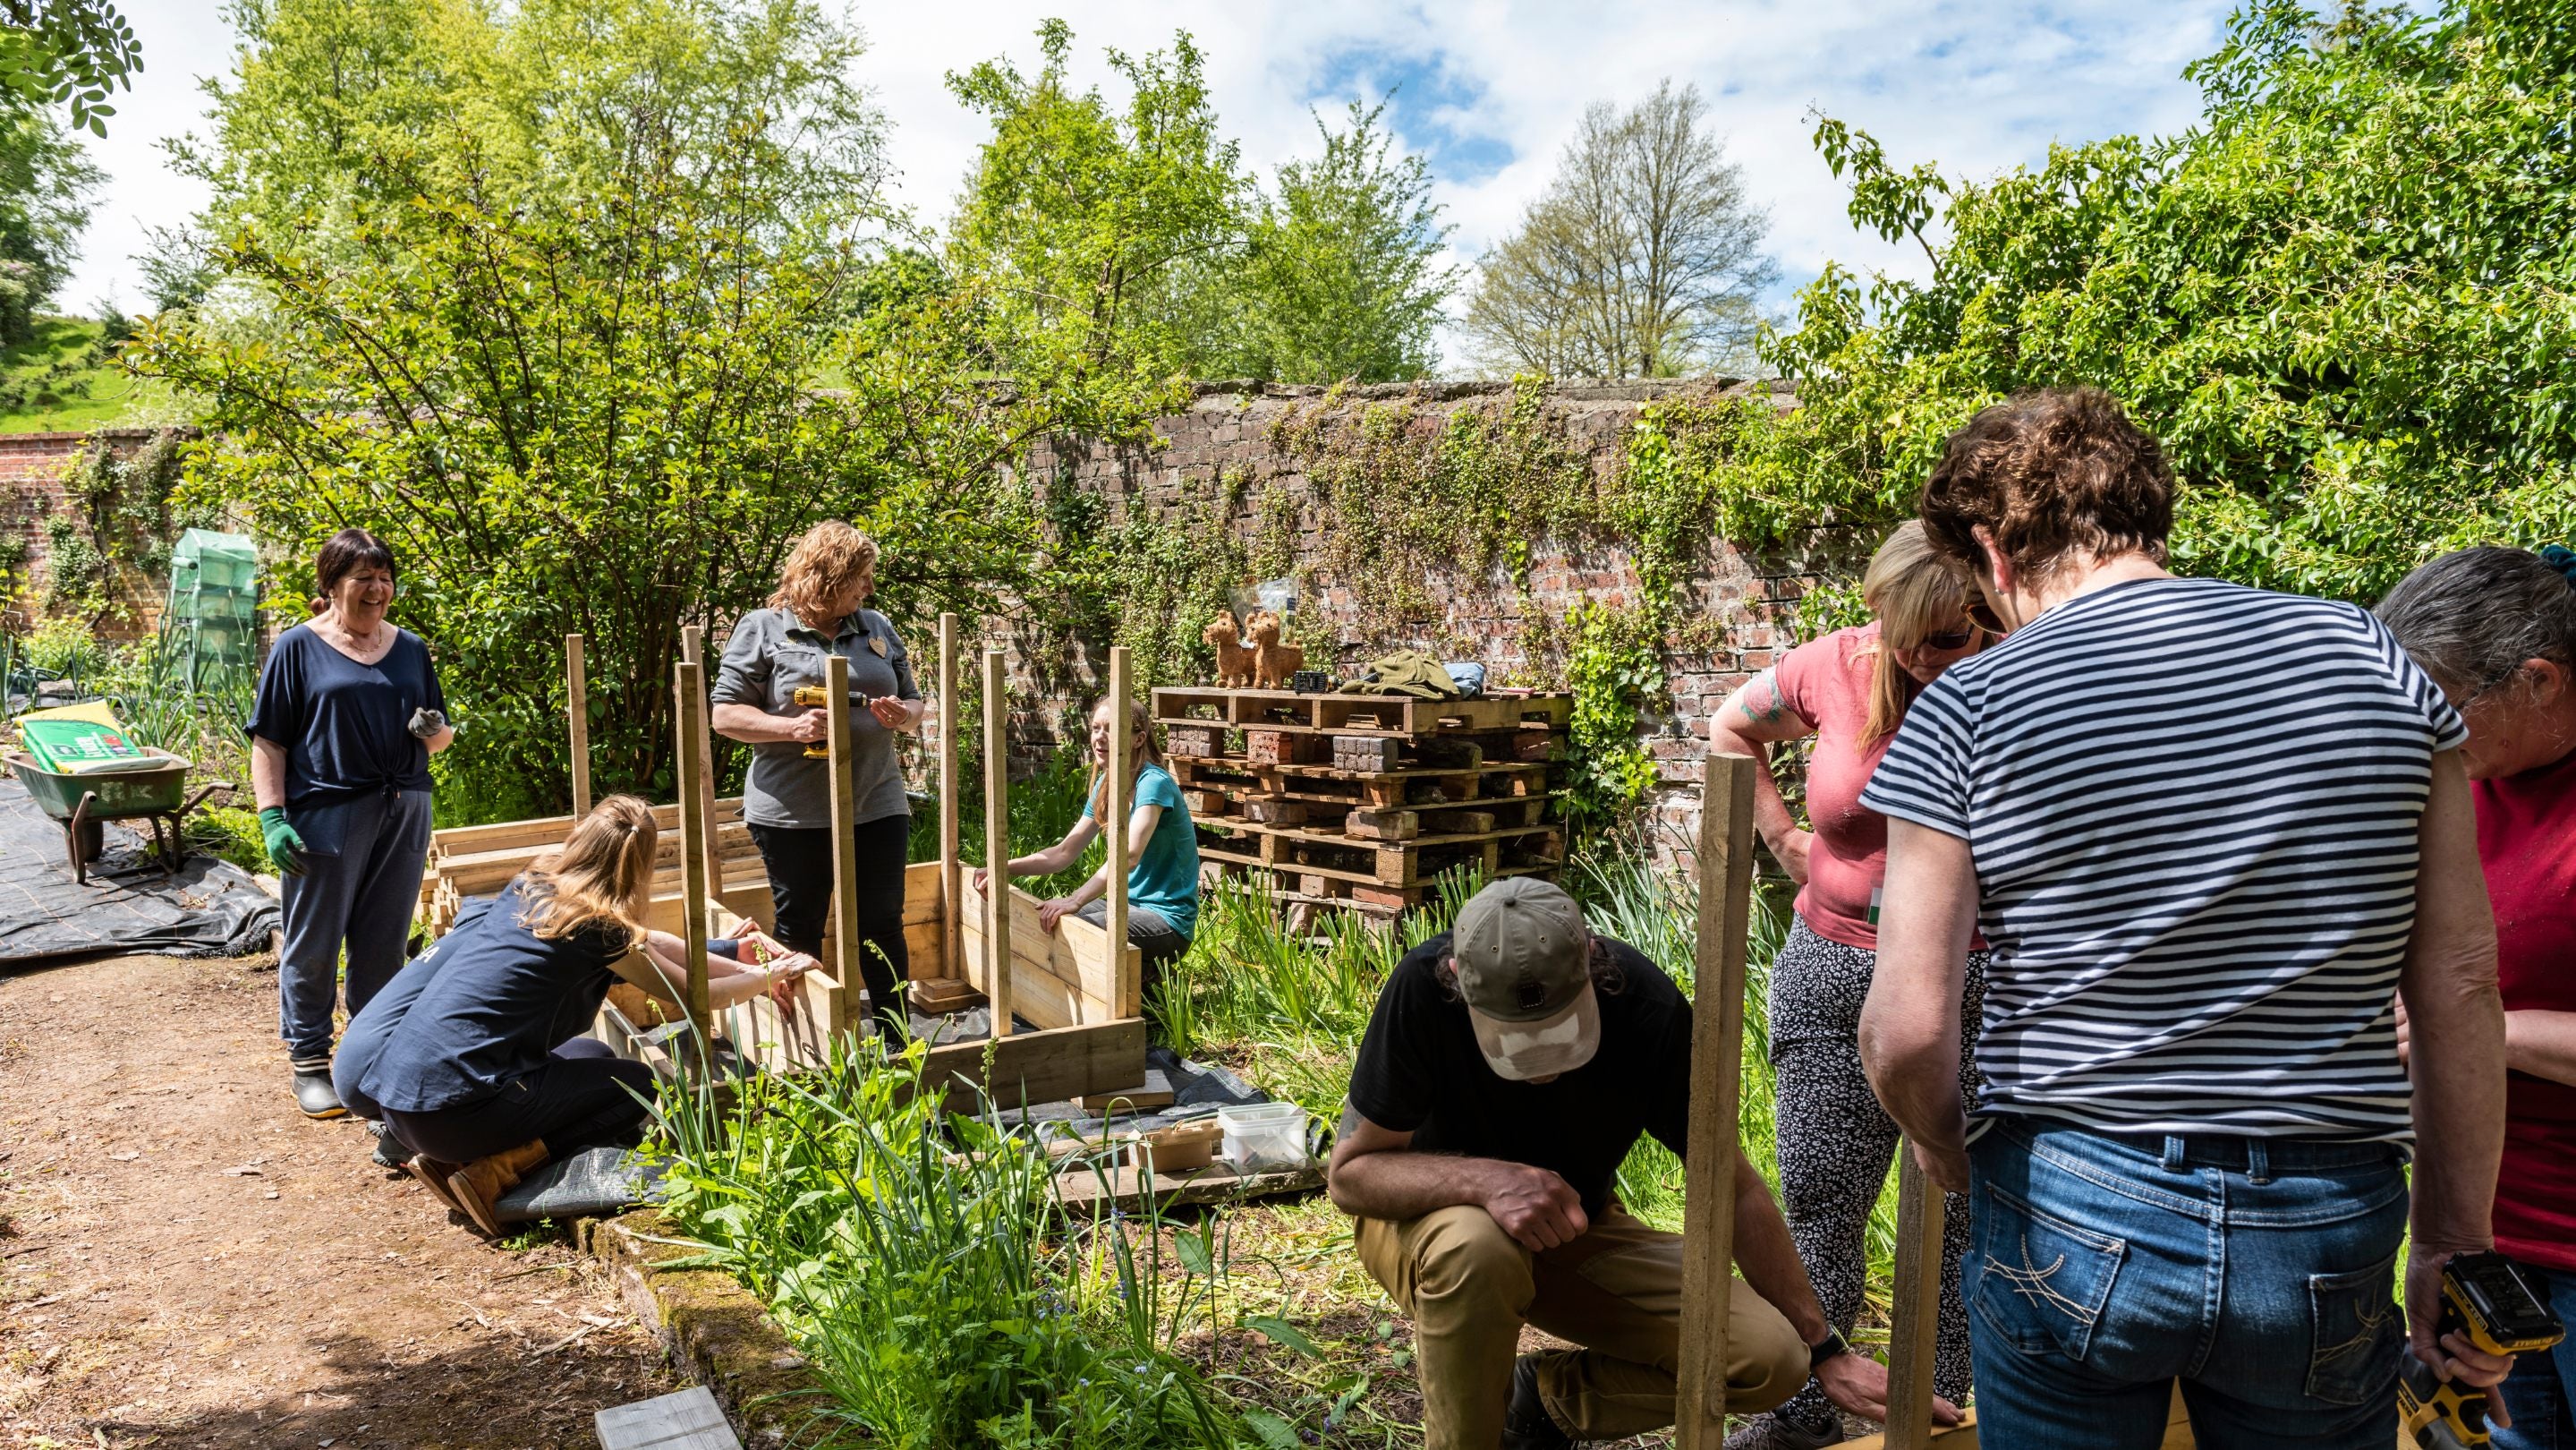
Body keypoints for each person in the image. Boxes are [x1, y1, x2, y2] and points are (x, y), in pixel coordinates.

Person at [1855, 388, 2516, 1448]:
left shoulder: (1970, 706)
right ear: (2147, 511)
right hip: (2323, 1220)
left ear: (1994, 548)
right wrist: (2449, 1241)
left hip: (2070, 1199)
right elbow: (2457, 983)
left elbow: (1906, 1030)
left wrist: (1941, 1147)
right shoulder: (2372, 661)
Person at [1329, 876, 1951, 1450]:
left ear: (1592, 964)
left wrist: (1823, 1351)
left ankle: (1540, 1404)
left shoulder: (1644, 1006)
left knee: (1766, 1358)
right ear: (1458, 976)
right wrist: (1486, 1180)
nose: (1542, 1065)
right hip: (1427, 1228)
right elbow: (1352, 1175)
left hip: (1574, 1228)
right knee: (1477, 1245)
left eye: (1559, 1030)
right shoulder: (1419, 989)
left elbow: (1730, 1187)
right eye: (1515, 1038)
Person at [1707, 521, 1990, 1449]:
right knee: (1819, 1197)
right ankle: (1802, 1408)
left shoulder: (2017, 675)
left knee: (1957, 1208)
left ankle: (1943, 1410)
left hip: (1971, 980)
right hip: (1830, 968)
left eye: (1952, 633)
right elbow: (1730, 725)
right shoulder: (1832, 665)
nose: (1924, 655)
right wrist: (1785, 839)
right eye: (1906, 633)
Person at [344, 796, 814, 1234]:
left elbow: (650, 946)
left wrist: (740, 958)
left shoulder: (535, 883)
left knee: (590, 1052)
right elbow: (694, 994)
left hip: (403, 1101)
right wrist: (773, 974)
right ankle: (495, 1173)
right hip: (453, 1113)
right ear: (640, 865)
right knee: (642, 1088)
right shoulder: (597, 927)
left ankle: (453, 1162)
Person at [2377, 544, 2576, 1450]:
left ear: (2537, 681)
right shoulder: (2459, 785)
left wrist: (2477, 1028)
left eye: (2441, 707)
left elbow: (2468, 1003)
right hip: (2487, 1246)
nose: (2420, 732)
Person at [248, 526, 455, 1120]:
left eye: (385, 578)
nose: (378, 589)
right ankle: (310, 1061)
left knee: (384, 944)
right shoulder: (298, 647)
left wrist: (432, 732)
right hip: (327, 814)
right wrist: (271, 817)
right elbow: (269, 742)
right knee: (314, 943)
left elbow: (441, 736)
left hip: (406, 808)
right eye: (363, 578)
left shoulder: (411, 649)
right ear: (332, 585)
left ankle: (368, 1061)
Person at [712, 521, 924, 1038]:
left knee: (881, 921)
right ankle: (810, 1042)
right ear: (829, 576)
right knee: (802, 924)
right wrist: (791, 726)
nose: (869, 588)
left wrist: (906, 716)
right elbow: (725, 715)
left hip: (876, 800)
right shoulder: (763, 628)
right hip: (792, 810)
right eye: (861, 577)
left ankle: (899, 1043)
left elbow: (916, 701)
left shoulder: (874, 626)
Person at [973, 696, 1199, 980]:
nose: (1100, 738)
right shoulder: (1107, 784)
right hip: (1126, 905)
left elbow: (1129, 855)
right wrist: (1002, 868)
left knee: (1085, 931)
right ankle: (1139, 975)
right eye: (1095, 728)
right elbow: (1064, 852)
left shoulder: (1153, 783)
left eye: (1111, 730)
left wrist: (1076, 898)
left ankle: (1151, 981)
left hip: (1166, 919)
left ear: (1138, 739)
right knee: (1057, 922)